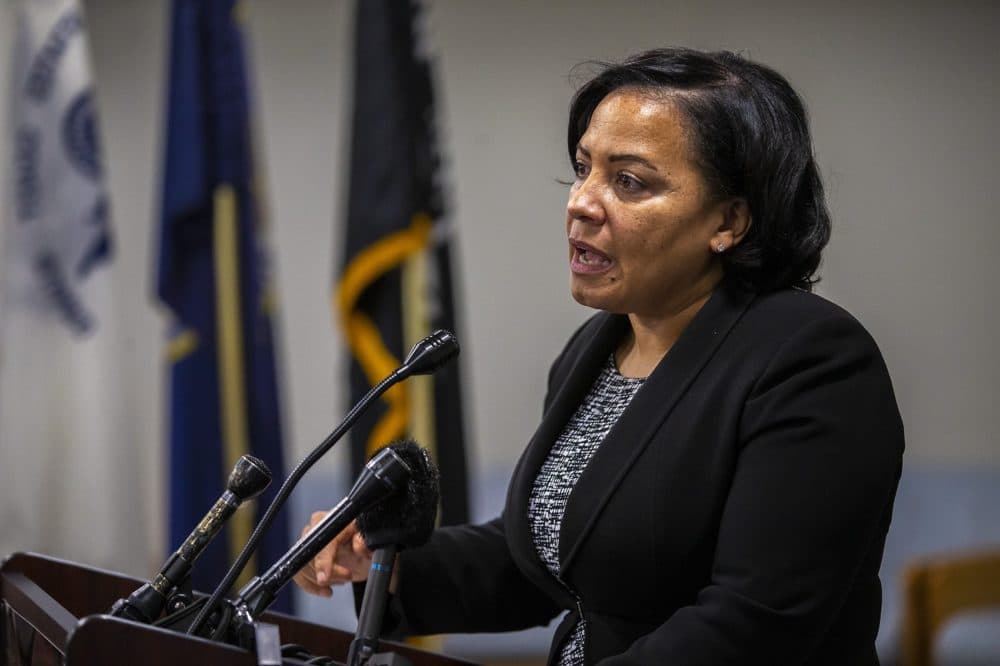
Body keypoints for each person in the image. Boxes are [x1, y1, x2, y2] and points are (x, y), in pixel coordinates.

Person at [295, 48, 904, 665]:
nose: (582, 202)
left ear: (730, 221)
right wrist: (388, 562)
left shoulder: (810, 361)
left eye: (628, 181)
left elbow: (753, 624)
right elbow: (554, 555)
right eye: (584, 169)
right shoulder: (597, 348)